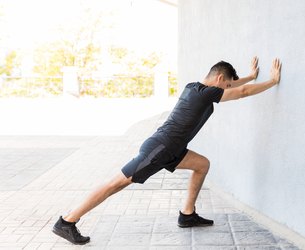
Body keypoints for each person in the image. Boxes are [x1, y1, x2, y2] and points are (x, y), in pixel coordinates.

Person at [52, 57, 282, 245]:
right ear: (220, 79)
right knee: (116, 184)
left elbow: (235, 86)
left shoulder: (193, 87)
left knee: (202, 165)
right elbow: (242, 93)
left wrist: (251, 76)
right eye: (227, 85)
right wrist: (272, 81)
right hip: (160, 148)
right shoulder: (207, 93)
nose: (228, 89)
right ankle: (67, 221)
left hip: (172, 148)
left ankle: (187, 214)